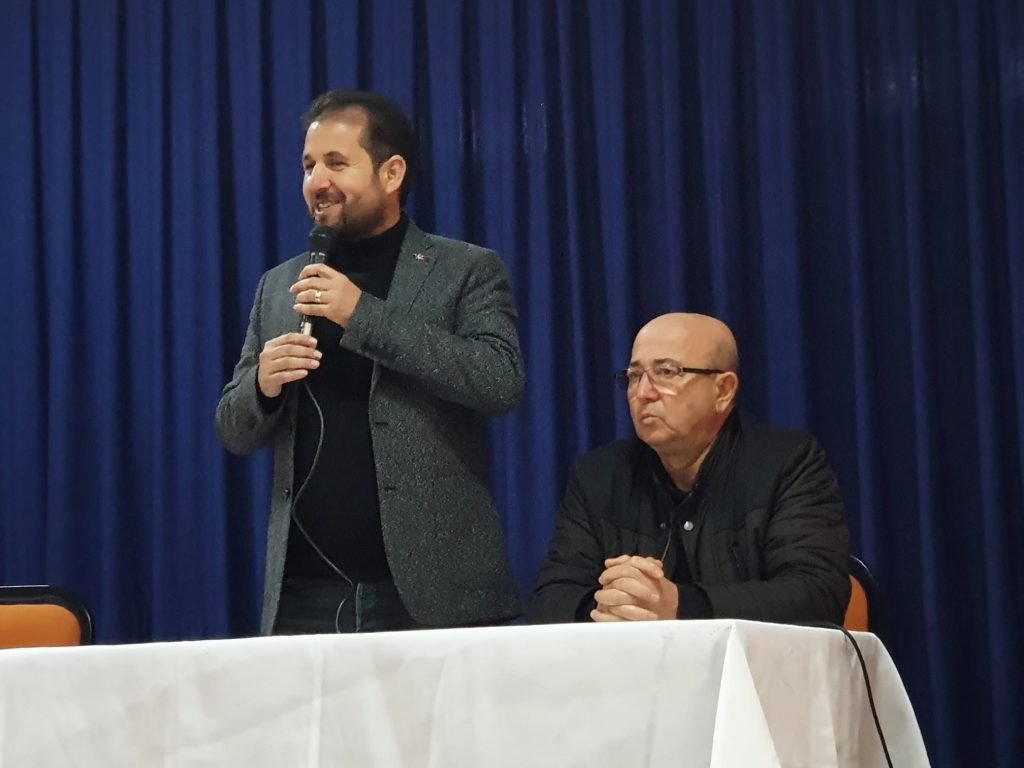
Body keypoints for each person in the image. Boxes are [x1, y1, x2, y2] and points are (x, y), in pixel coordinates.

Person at [216, 90, 523, 634]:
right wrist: (262, 385)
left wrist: (363, 316)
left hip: (434, 594)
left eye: (337, 163)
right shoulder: (280, 284)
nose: (317, 181)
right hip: (304, 593)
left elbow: (499, 380)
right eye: (308, 166)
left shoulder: (466, 269)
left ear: (392, 172)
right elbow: (233, 432)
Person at [528, 313, 850, 625]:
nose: (643, 393)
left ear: (723, 391)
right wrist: (610, 605)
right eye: (634, 376)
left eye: (667, 372)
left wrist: (679, 605)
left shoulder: (787, 463)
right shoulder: (598, 476)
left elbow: (817, 594)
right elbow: (548, 599)